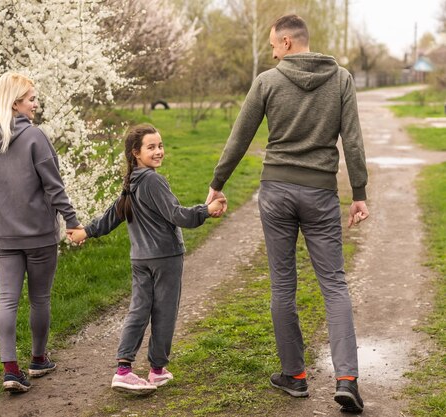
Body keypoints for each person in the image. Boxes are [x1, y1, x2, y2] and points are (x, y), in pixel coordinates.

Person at [206, 14, 369, 413]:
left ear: (289, 42)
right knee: (334, 284)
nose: (272, 50)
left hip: (276, 191)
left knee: (283, 284)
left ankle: (294, 376)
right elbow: (353, 140)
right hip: (320, 192)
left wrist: (217, 183)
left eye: (274, 44)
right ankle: (346, 378)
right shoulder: (341, 79)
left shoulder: (268, 81)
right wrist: (359, 193)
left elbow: (239, 136)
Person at [68, 124, 226, 395]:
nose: (158, 151)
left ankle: (124, 369)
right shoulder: (153, 181)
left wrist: (86, 231)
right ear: (136, 153)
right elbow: (176, 215)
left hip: (139, 258)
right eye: (151, 147)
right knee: (164, 312)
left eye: (160, 146)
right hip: (165, 258)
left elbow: (111, 216)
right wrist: (206, 210)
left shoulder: (132, 182)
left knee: (139, 310)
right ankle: (157, 370)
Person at [0, 72, 82, 392]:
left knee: (7, 299)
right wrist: (73, 221)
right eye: (31, 99)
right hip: (38, 233)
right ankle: (38, 360)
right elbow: (54, 187)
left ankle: (11, 370)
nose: (36, 104)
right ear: (15, 104)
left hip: (4, 234)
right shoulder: (35, 136)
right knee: (39, 298)